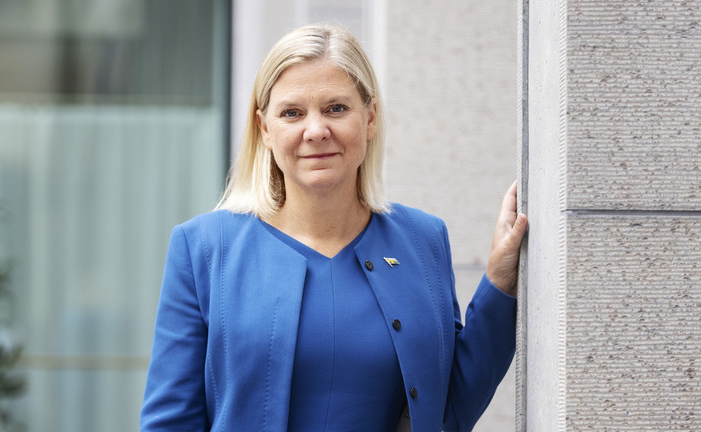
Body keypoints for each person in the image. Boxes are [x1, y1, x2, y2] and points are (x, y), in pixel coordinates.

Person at [140, 23, 527, 432]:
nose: (316, 131)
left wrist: (500, 281)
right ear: (265, 129)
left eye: (336, 109)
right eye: (292, 113)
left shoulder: (423, 240)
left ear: (370, 118)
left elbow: (447, 408)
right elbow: (170, 422)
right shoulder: (202, 249)